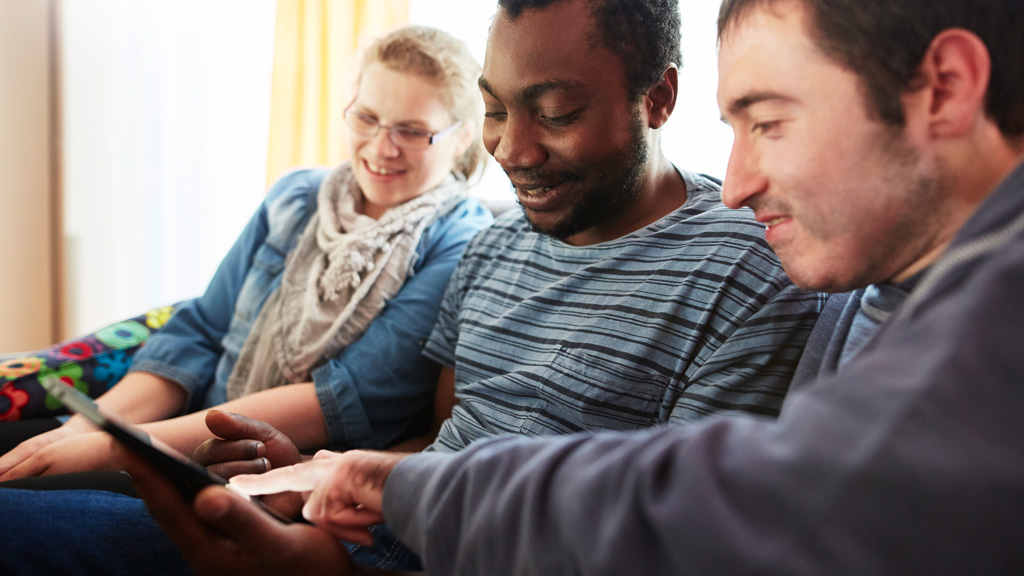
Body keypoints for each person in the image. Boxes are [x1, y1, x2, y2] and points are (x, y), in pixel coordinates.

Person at [122, 0, 1024, 574]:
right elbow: (448, 435)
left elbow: (702, 510)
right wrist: (340, 479)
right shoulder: (887, 298)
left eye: (770, 123)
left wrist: (389, 494)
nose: (742, 182)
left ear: (945, 88)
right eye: (499, 111)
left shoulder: (841, 292)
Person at [0, 0, 827, 574]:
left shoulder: (750, 270)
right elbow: (437, 446)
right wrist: (326, 470)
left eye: (556, 112)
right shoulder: (498, 246)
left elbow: (653, 548)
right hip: (359, 531)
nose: (514, 150)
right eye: (499, 110)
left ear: (659, 98)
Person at [0, 25, 493, 484]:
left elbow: (347, 398)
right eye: (366, 117)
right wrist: (87, 427)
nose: (381, 148)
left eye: (411, 130)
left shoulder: (460, 240)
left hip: (268, 468)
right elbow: (200, 329)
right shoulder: (298, 196)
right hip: (185, 420)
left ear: (463, 137)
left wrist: (121, 445)